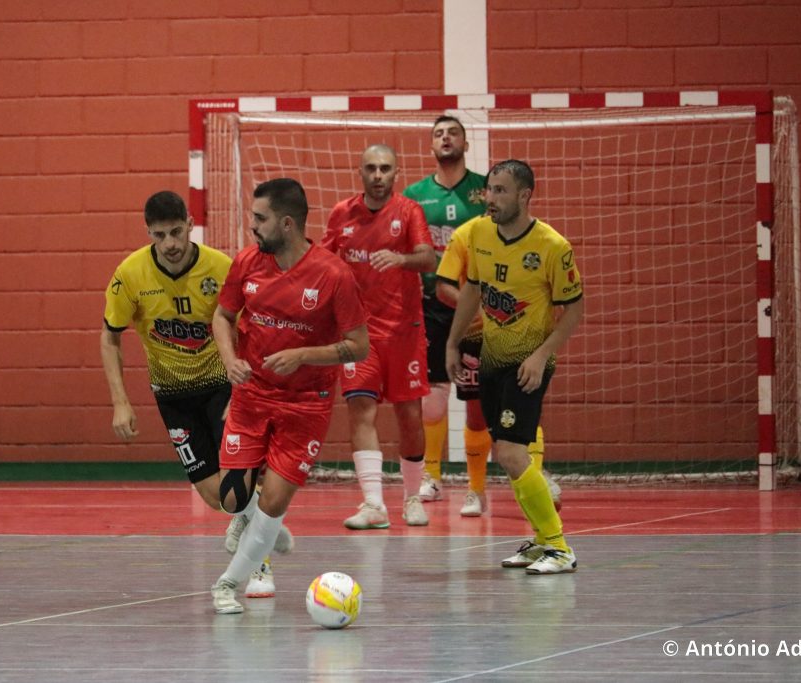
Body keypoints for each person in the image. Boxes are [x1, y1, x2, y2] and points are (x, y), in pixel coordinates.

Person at [100, 190, 291, 599]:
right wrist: (120, 401)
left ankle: (259, 566)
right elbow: (110, 337)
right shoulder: (129, 275)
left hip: (222, 386)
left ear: (189, 224)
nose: (170, 243)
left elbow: (250, 326)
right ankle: (258, 519)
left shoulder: (220, 267)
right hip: (172, 395)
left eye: (176, 232)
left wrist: (251, 382)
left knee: (237, 479)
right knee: (216, 497)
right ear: (148, 233)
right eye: (159, 235)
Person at [209, 178, 369, 614]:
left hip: (306, 403)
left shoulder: (333, 275)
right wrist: (229, 360)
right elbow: (222, 317)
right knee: (232, 498)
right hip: (251, 394)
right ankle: (263, 528)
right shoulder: (247, 262)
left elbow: (359, 346)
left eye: (260, 219)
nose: (252, 226)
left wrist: (304, 355)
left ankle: (227, 585)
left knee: (274, 500)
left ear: (286, 223)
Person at [406, 116, 561, 516]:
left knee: (500, 399)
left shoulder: (486, 189)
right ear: (430, 145)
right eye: (438, 133)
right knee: (433, 401)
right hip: (437, 305)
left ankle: (517, 477)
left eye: (453, 132)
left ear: (466, 143)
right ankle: (431, 476)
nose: (445, 138)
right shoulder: (414, 195)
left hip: (493, 313)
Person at [445, 159, 582, 574]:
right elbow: (473, 288)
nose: (491, 198)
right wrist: (453, 342)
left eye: (501, 190)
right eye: (489, 189)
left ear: (525, 195)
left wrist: (541, 356)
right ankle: (541, 541)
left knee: (511, 451)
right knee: (506, 455)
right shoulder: (478, 233)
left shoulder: (552, 246)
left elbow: (575, 310)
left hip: (529, 364)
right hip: (492, 359)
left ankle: (558, 545)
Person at [322, 145, 436, 530]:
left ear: (395, 173)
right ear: (360, 171)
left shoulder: (409, 211)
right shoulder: (342, 213)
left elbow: (429, 258)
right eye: (370, 168)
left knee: (410, 416)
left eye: (385, 168)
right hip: (359, 335)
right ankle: (373, 504)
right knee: (360, 409)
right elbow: (324, 260)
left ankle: (412, 497)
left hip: (405, 332)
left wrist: (401, 259)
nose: (377, 175)